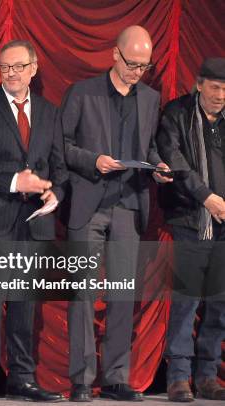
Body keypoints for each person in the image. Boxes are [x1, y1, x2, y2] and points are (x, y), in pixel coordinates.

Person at [61, 25, 173, 402]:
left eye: (143, 66)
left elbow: (152, 146)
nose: (136, 71)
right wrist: (94, 160)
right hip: (89, 204)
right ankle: (81, 379)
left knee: (123, 295)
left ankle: (116, 377)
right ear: (114, 54)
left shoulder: (150, 98)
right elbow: (63, 146)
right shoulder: (82, 92)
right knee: (83, 294)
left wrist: (158, 167)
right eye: (131, 63)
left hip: (129, 205)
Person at [0, 39, 66, 403]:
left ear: (33, 69)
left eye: (19, 67)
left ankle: (22, 378)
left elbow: (59, 168)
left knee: (24, 303)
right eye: (5, 67)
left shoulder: (51, 112)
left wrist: (56, 194)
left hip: (34, 221)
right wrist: (13, 180)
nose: (12, 74)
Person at [157, 57, 225, 402]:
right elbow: (176, 162)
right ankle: (179, 377)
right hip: (190, 218)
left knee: (219, 302)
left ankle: (208, 375)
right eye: (214, 87)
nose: (220, 95)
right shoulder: (176, 114)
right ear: (199, 84)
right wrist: (207, 198)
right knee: (186, 299)